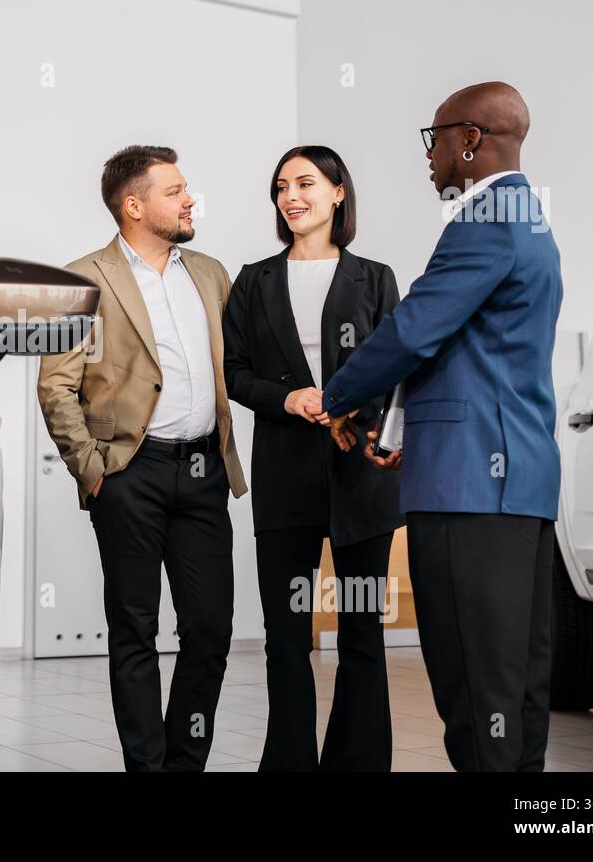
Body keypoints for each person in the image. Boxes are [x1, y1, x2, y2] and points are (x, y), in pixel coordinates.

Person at [319, 82, 563, 771]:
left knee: (471, 686)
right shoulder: (532, 220)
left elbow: (414, 330)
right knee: (516, 686)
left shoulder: (486, 222)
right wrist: (393, 429)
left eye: (435, 138)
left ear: (470, 140)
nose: (429, 155)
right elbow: (466, 351)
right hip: (517, 485)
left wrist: (338, 396)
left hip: (469, 487)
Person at [37, 145, 247, 771]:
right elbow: (55, 385)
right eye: (176, 191)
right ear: (134, 206)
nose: (190, 201)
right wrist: (95, 471)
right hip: (131, 475)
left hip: (205, 472)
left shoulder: (209, 272)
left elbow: (236, 365)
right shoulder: (79, 279)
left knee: (209, 632)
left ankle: (185, 764)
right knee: (135, 633)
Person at [223, 145, 403, 771]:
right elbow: (235, 374)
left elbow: (394, 366)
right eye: (280, 187)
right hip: (285, 477)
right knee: (286, 638)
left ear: (337, 193)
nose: (291, 197)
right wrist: (288, 397)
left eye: (304, 183)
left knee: (361, 632)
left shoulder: (375, 278)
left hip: (357, 475)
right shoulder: (254, 280)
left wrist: (357, 409)